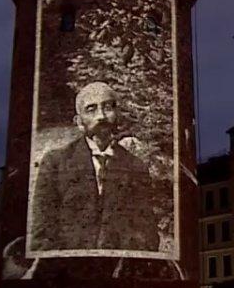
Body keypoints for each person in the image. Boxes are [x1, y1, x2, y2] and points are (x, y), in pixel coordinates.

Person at [30, 81, 165, 253]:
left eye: (107, 107)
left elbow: (147, 233)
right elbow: (42, 233)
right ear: (79, 121)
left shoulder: (135, 167)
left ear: (117, 115)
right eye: (91, 109)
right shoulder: (55, 163)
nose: (101, 116)